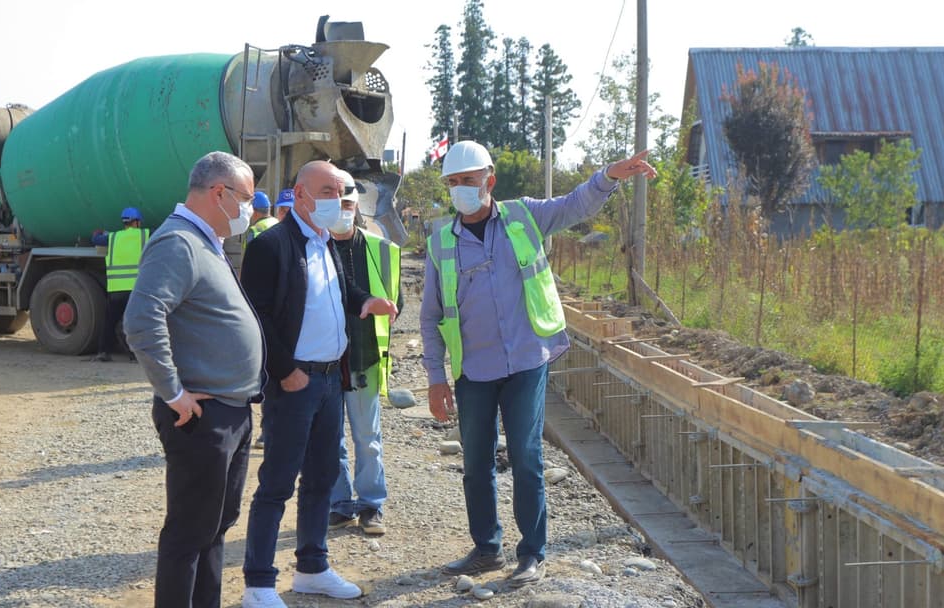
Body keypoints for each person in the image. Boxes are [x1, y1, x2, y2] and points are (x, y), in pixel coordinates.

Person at [420, 141, 656, 586]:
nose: (460, 190)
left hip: (527, 361)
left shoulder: (523, 216)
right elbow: (430, 317)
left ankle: (532, 552)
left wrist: (611, 175)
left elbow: (575, 205)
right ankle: (487, 549)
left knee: (526, 457)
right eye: (452, 183)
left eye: (468, 181)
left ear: (489, 179)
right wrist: (435, 378)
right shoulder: (440, 242)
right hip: (473, 369)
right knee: (476, 461)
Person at [239, 160, 398, 608]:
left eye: (342, 190)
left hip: (331, 379)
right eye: (327, 190)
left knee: (322, 478)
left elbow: (341, 290)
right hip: (295, 381)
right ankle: (258, 583)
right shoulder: (272, 245)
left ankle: (312, 568)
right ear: (302, 195)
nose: (337, 197)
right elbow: (258, 316)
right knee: (277, 482)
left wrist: (368, 301)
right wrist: (284, 370)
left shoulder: (325, 241)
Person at [123, 151, 265, 608]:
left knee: (214, 528)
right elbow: (142, 320)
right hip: (201, 418)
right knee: (189, 533)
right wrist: (174, 393)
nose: (251, 210)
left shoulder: (208, 242)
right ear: (219, 193)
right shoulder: (179, 243)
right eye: (246, 198)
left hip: (231, 412)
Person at [327, 170, 402, 536]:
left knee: (367, 439)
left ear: (356, 206)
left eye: (347, 203)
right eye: (335, 202)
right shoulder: (314, 246)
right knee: (329, 439)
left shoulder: (380, 250)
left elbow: (395, 301)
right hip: (323, 361)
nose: (342, 210)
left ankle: (371, 504)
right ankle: (340, 503)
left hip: (363, 358)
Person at [244, 190, 279, 451]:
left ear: (254, 211)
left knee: (268, 374)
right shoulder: (279, 226)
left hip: (264, 310)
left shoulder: (256, 233)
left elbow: (250, 275)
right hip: (283, 310)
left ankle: (268, 433)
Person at [91, 207, 149, 362]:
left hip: (116, 289)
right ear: (137, 222)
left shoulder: (113, 237)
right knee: (134, 322)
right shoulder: (144, 235)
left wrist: (97, 232)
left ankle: (103, 352)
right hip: (135, 289)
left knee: (110, 321)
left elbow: (96, 240)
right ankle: (133, 354)